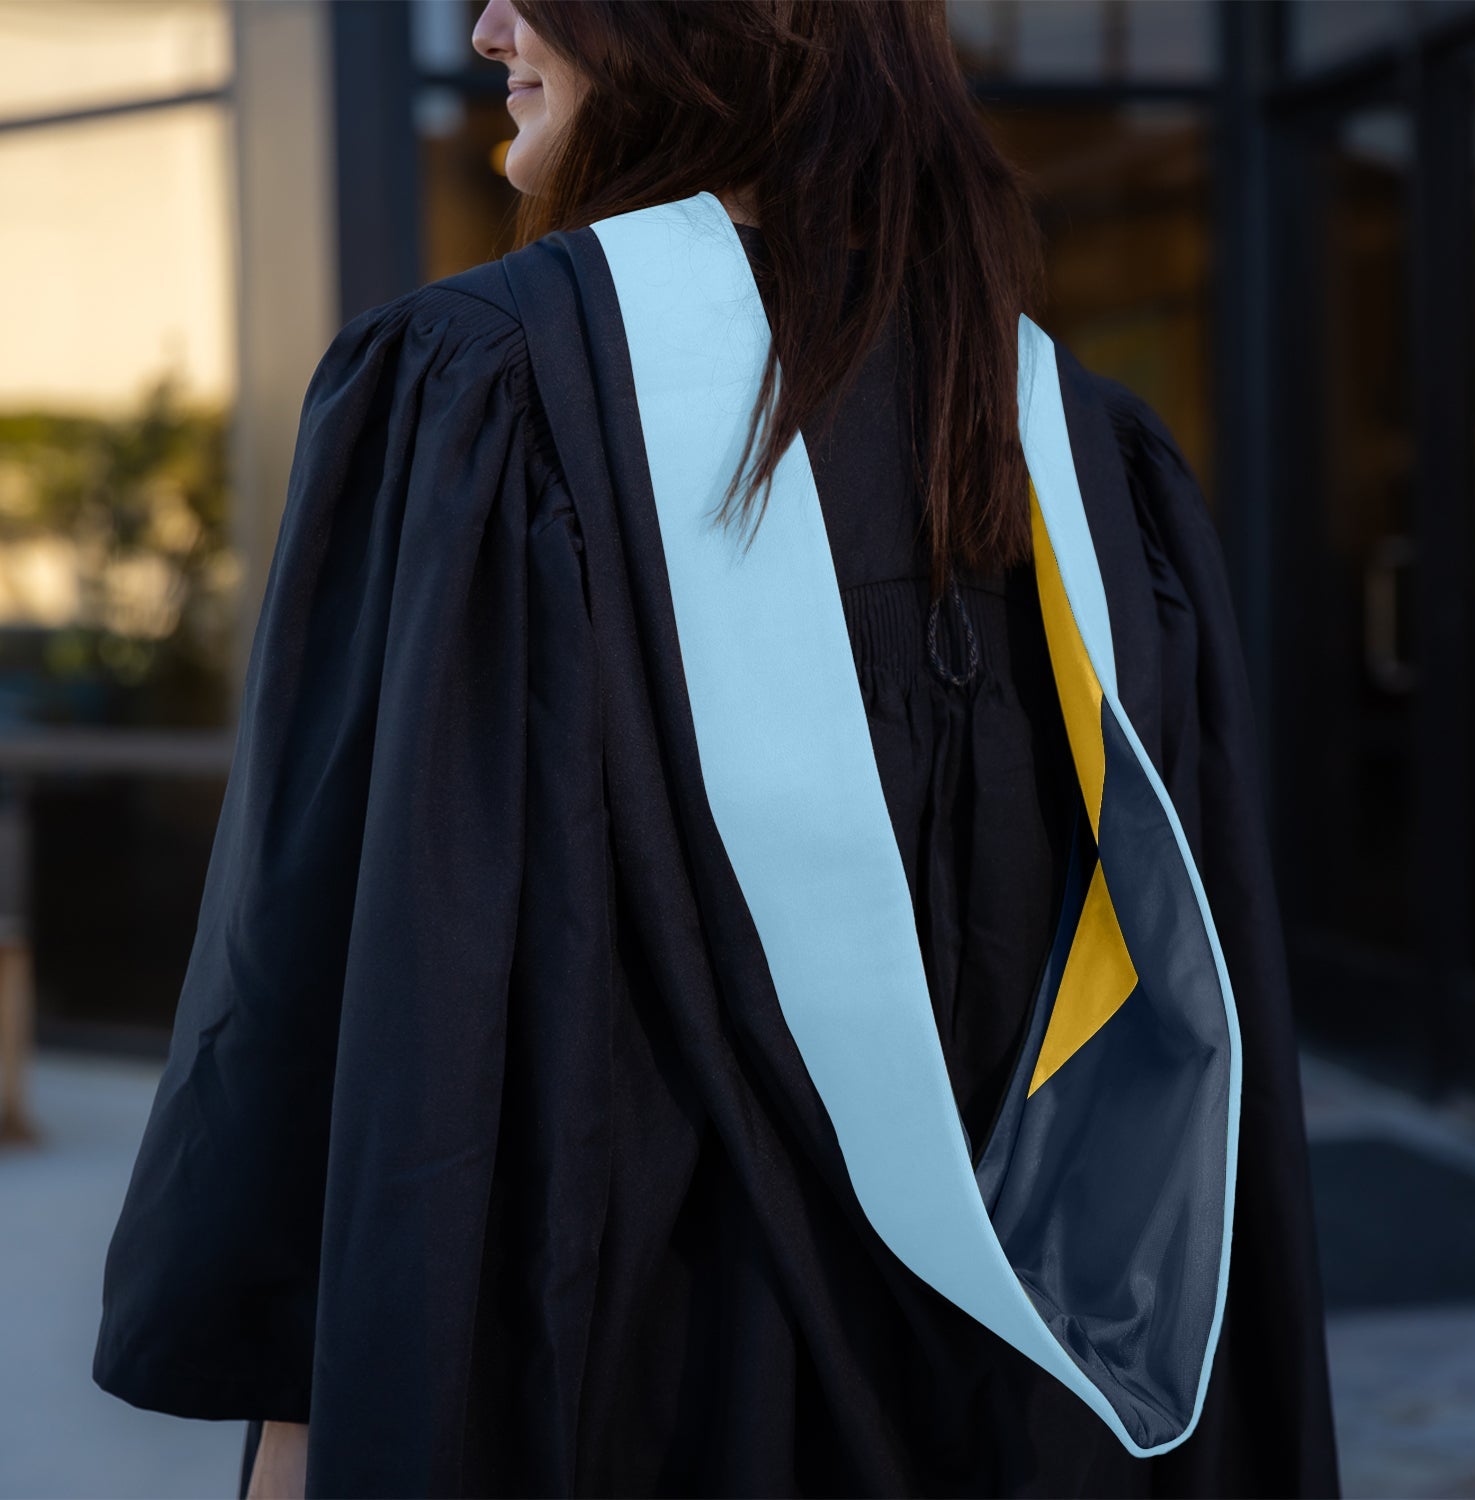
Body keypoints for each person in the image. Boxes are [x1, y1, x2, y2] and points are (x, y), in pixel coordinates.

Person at [92, 3, 1341, 1497]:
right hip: (1026, 1424)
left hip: (619, 1397)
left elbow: (329, 1013)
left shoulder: (484, 397)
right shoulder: (1082, 458)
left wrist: (295, 1440)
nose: (489, 24)